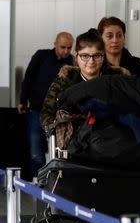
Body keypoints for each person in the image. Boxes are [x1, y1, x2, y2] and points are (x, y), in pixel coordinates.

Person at [40, 28, 130, 131]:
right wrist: (56, 129)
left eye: (97, 55)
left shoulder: (118, 77)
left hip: (111, 138)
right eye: (85, 56)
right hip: (72, 140)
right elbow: (46, 112)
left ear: (103, 56)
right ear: (76, 56)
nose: (91, 61)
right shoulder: (65, 79)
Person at [18, 32, 74, 178]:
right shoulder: (41, 56)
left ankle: (53, 182)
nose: (66, 51)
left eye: (69, 47)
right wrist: (22, 101)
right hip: (36, 110)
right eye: (63, 47)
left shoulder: (73, 63)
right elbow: (28, 78)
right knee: (36, 151)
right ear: (55, 44)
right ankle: (39, 181)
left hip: (58, 115)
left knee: (59, 151)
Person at [97, 16, 140, 81]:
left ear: (124, 38)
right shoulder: (96, 65)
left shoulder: (137, 63)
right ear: (100, 39)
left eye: (119, 35)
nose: (115, 40)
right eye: (110, 36)